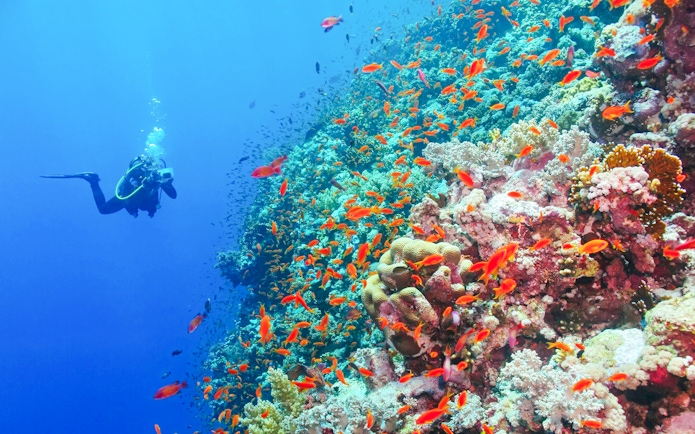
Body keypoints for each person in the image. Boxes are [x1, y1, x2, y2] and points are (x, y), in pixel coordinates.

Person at [42, 155, 176, 217]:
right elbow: (173, 196)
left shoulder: (159, 180)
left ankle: (93, 181)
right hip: (127, 197)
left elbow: (173, 195)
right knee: (103, 210)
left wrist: (167, 183)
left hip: (131, 199)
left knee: (104, 209)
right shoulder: (142, 177)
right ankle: (93, 181)